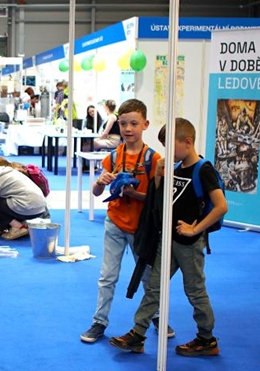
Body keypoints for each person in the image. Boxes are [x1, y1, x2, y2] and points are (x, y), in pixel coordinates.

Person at [110, 119, 227, 356]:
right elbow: (163, 203)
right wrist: (158, 178)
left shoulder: (203, 169)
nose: (167, 153)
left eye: (170, 146)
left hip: (189, 244)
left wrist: (195, 230)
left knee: (194, 290)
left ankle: (207, 338)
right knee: (154, 287)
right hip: (168, 240)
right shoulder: (174, 168)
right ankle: (138, 333)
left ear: (188, 142)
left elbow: (221, 206)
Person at [80, 99, 169, 343]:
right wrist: (101, 181)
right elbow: (97, 193)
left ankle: (157, 315)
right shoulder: (112, 157)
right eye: (123, 123)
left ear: (145, 124)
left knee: (147, 276)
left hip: (142, 228)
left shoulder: (155, 159)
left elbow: (156, 200)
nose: (128, 129)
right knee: (107, 275)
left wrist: (133, 193)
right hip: (115, 223)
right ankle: (99, 321)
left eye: (134, 124)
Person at [0, 162, 49, 240]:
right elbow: (2, 209)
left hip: (27, 205)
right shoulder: (0, 173)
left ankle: (18, 227)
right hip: (40, 208)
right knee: (1, 204)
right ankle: (20, 225)